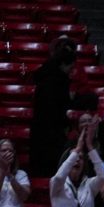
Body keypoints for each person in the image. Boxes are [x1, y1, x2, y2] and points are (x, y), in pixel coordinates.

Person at [30, 37, 79, 177]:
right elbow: (58, 110)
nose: (72, 70)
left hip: (40, 131)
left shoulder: (45, 76)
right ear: (63, 63)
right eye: (71, 66)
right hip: (52, 133)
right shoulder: (58, 83)